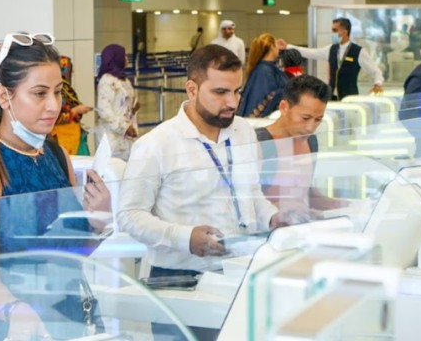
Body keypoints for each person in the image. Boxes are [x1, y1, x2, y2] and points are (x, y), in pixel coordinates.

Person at [117, 44, 304, 341]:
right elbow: (129, 215)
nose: (232, 102)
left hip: (239, 272)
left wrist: (272, 217)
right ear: (192, 89)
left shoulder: (244, 132)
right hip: (179, 281)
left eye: (237, 91)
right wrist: (185, 238)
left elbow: (251, 193)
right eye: (220, 92)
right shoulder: (157, 144)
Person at [0, 33, 111, 341]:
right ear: (3, 96)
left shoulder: (57, 155)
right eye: (39, 94)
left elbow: (70, 257)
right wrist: (15, 310)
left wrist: (98, 222)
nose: (53, 106)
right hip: (9, 325)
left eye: (58, 92)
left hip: (66, 316)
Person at [254, 75, 341, 211]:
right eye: (305, 118)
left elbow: (306, 192)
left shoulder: (311, 141)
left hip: (301, 222)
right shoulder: (260, 143)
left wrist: (347, 205)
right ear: (284, 107)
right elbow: (245, 202)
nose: (310, 128)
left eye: (318, 119)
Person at [285, 18, 383, 100]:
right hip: (331, 97)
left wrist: (377, 84)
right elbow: (311, 53)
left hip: (350, 97)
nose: (332, 33)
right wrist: (287, 46)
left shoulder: (359, 51)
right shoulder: (331, 49)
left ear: (345, 32)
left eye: (335, 30)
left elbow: (376, 71)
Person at [94, 44, 137, 160]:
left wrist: (134, 107)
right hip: (112, 137)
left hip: (126, 137)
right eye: (124, 56)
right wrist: (123, 128)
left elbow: (124, 103)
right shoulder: (107, 80)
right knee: (113, 168)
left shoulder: (123, 79)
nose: (126, 59)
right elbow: (104, 110)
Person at [237, 33, 287, 117]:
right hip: (265, 119)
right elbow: (261, 99)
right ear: (272, 47)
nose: (278, 48)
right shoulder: (264, 71)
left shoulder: (265, 69)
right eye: (276, 45)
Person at [51, 56, 92, 155]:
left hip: (73, 137)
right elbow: (54, 118)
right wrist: (75, 111)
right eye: (70, 69)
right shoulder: (54, 89)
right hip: (61, 140)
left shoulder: (67, 89)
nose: (72, 72)